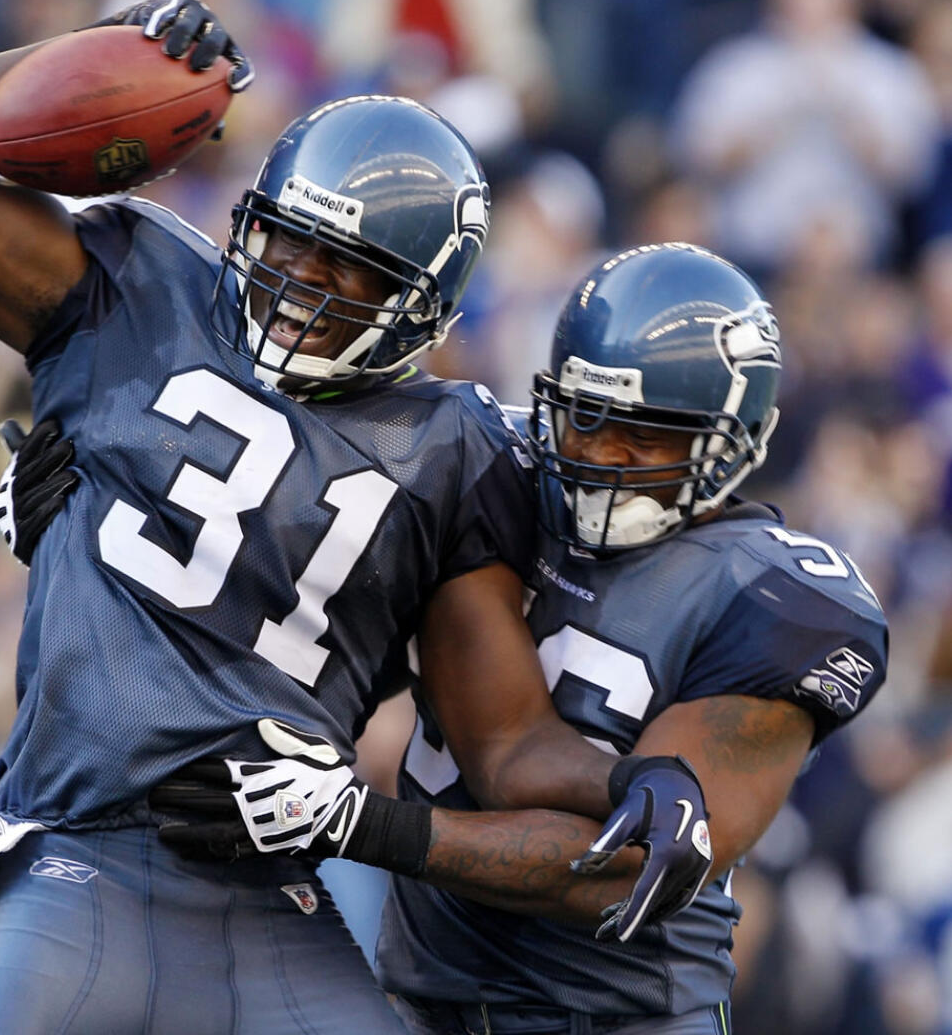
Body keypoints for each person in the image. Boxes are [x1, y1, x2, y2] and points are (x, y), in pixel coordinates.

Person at [0, 0, 710, 1032]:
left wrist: (641, 775)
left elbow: (505, 742)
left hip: (271, 895)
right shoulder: (139, 286)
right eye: (287, 242)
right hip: (76, 853)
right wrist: (101, 50)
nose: (301, 284)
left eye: (346, 267)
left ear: (427, 301)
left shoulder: (456, 449)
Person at [134, 243, 889, 1033]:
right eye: (586, 415)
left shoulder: (781, 603)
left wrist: (359, 823)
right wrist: (101, 494)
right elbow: (275, 576)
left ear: (734, 441)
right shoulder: (490, 473)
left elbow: (627, 871)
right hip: (423, 1003)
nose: (602, 453)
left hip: (617, 1018)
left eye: (650, 433)